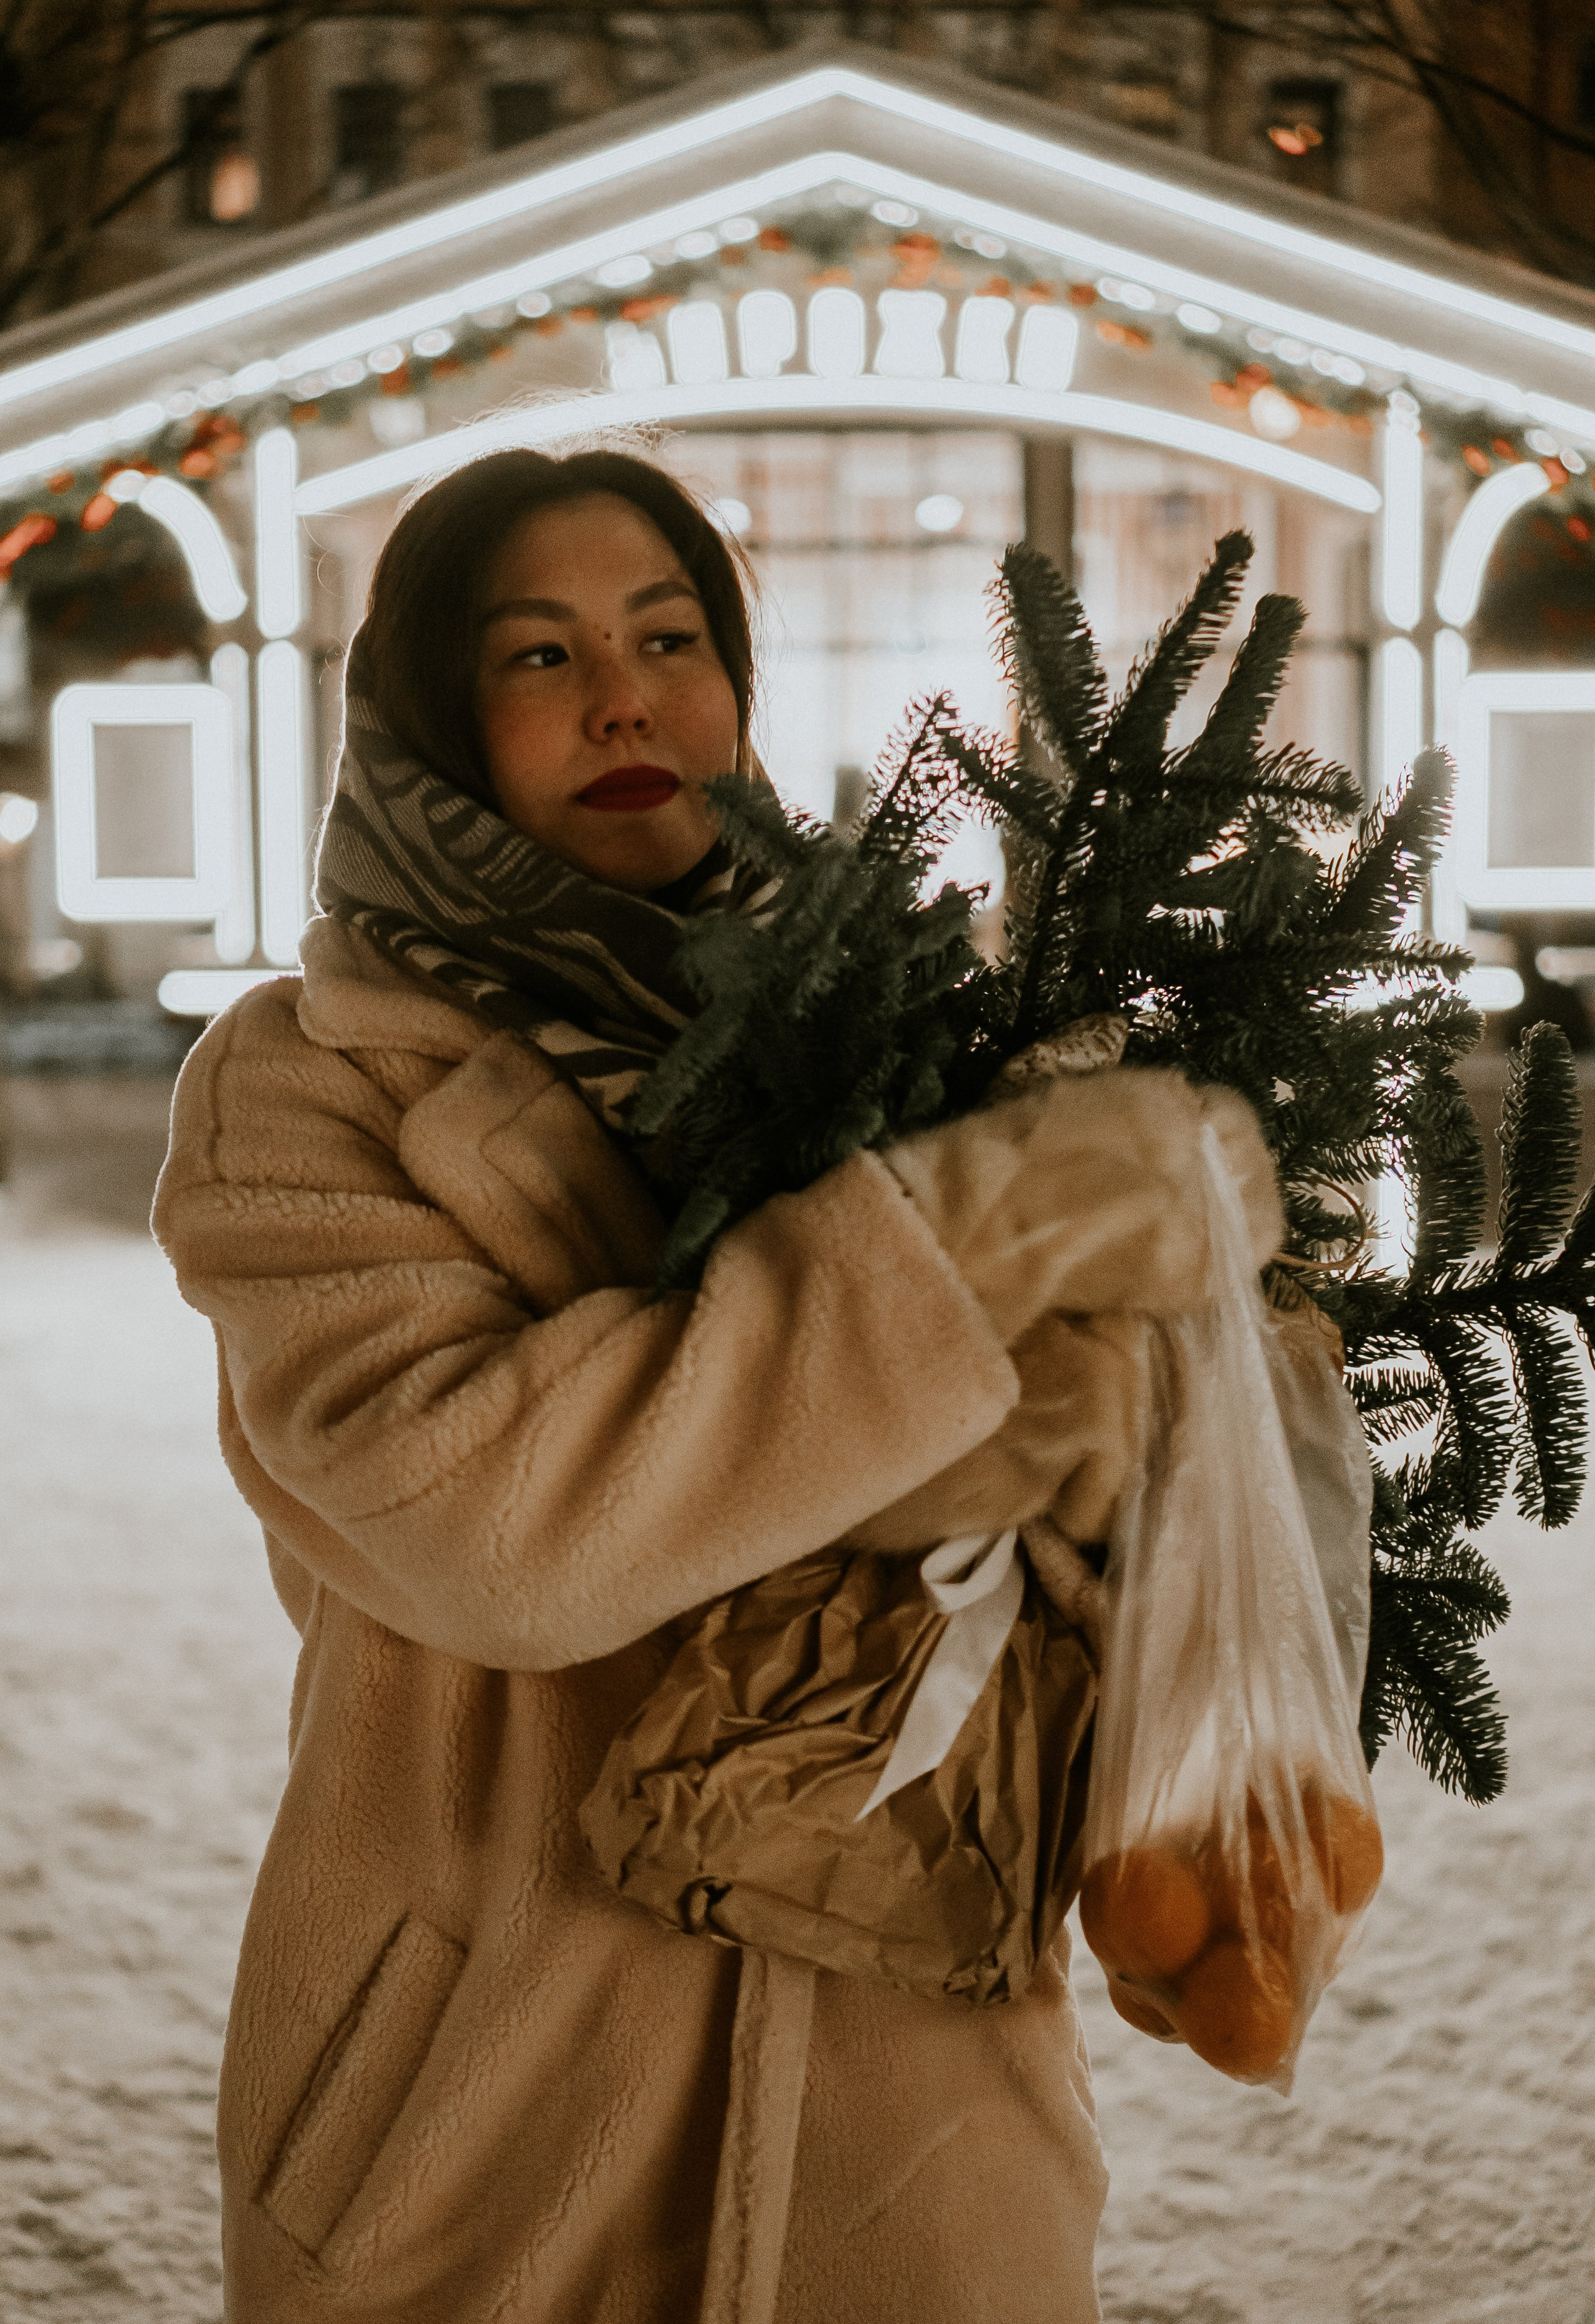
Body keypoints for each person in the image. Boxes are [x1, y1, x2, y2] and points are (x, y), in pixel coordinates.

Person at [154, 446, 1282, 2323]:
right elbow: (493, 1532)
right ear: (434, 717)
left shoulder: (926, 1024)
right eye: (538, 655)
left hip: (913, 2084)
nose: (623, 696)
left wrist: (1117, 1423)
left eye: (669, 635)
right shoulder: (309, 1086)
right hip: (488, 2088)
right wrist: (973, 1247)